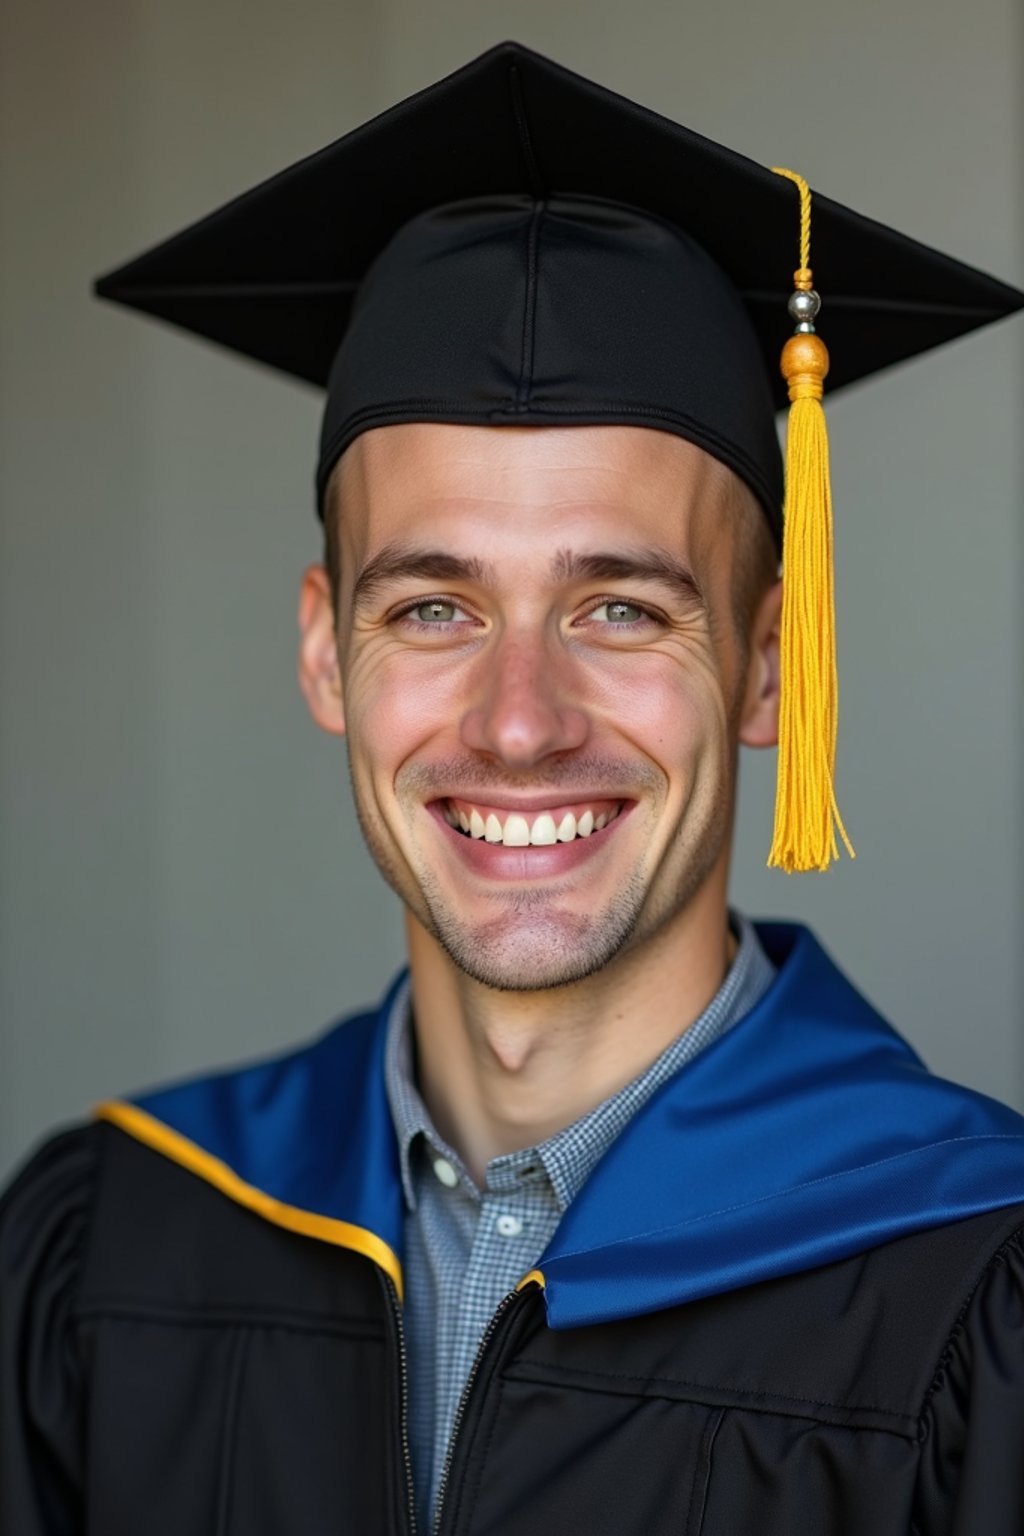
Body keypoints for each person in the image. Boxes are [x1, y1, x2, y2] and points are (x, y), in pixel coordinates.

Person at [3, 40, 1024, 1536]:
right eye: (432, 608)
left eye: (621, 608)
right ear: (322, 653)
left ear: (765, 667)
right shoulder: (113, 1250)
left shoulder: (971, 1283)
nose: (521, 722)